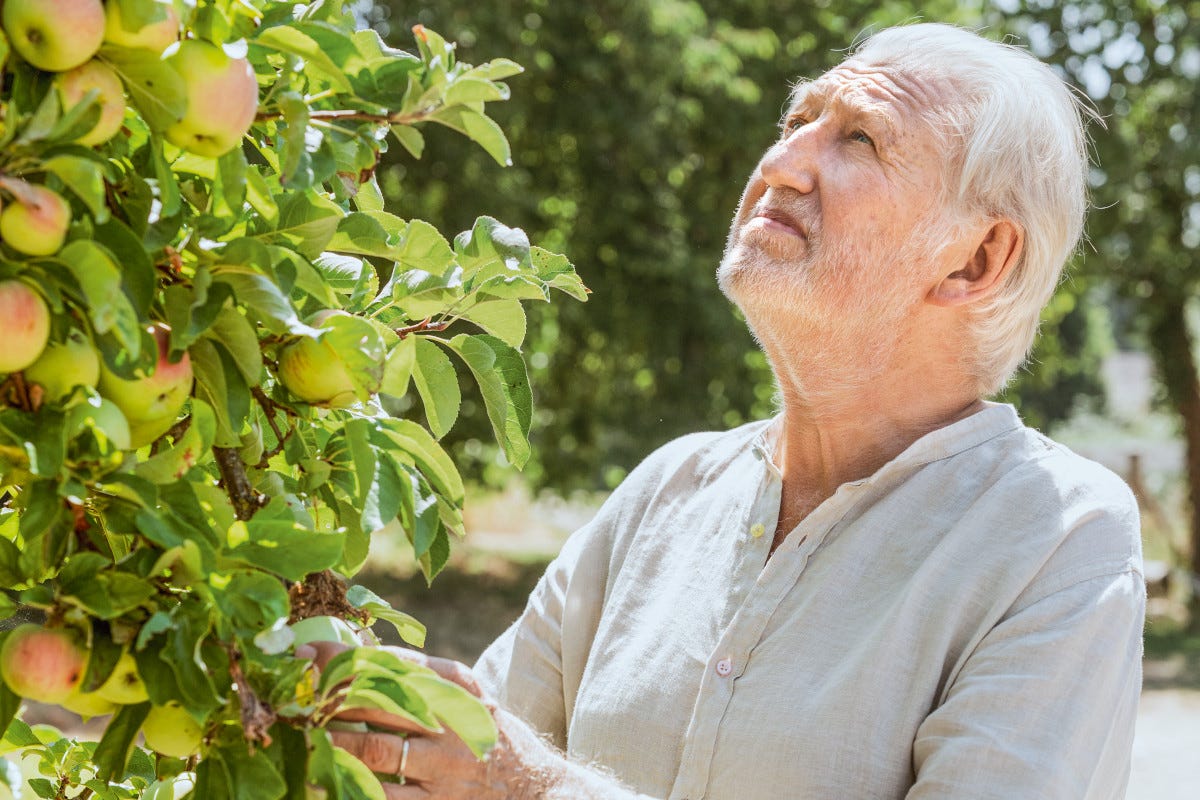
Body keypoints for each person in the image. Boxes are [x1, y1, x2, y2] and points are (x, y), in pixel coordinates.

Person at [320, 21, 1145, 799]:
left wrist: (531, 787)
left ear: (978, 258)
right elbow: (465, 756)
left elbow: (502, 774)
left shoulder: (1058, 538)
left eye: (860, 138)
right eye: (797, 119)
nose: (782, 163)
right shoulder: (665, 489)